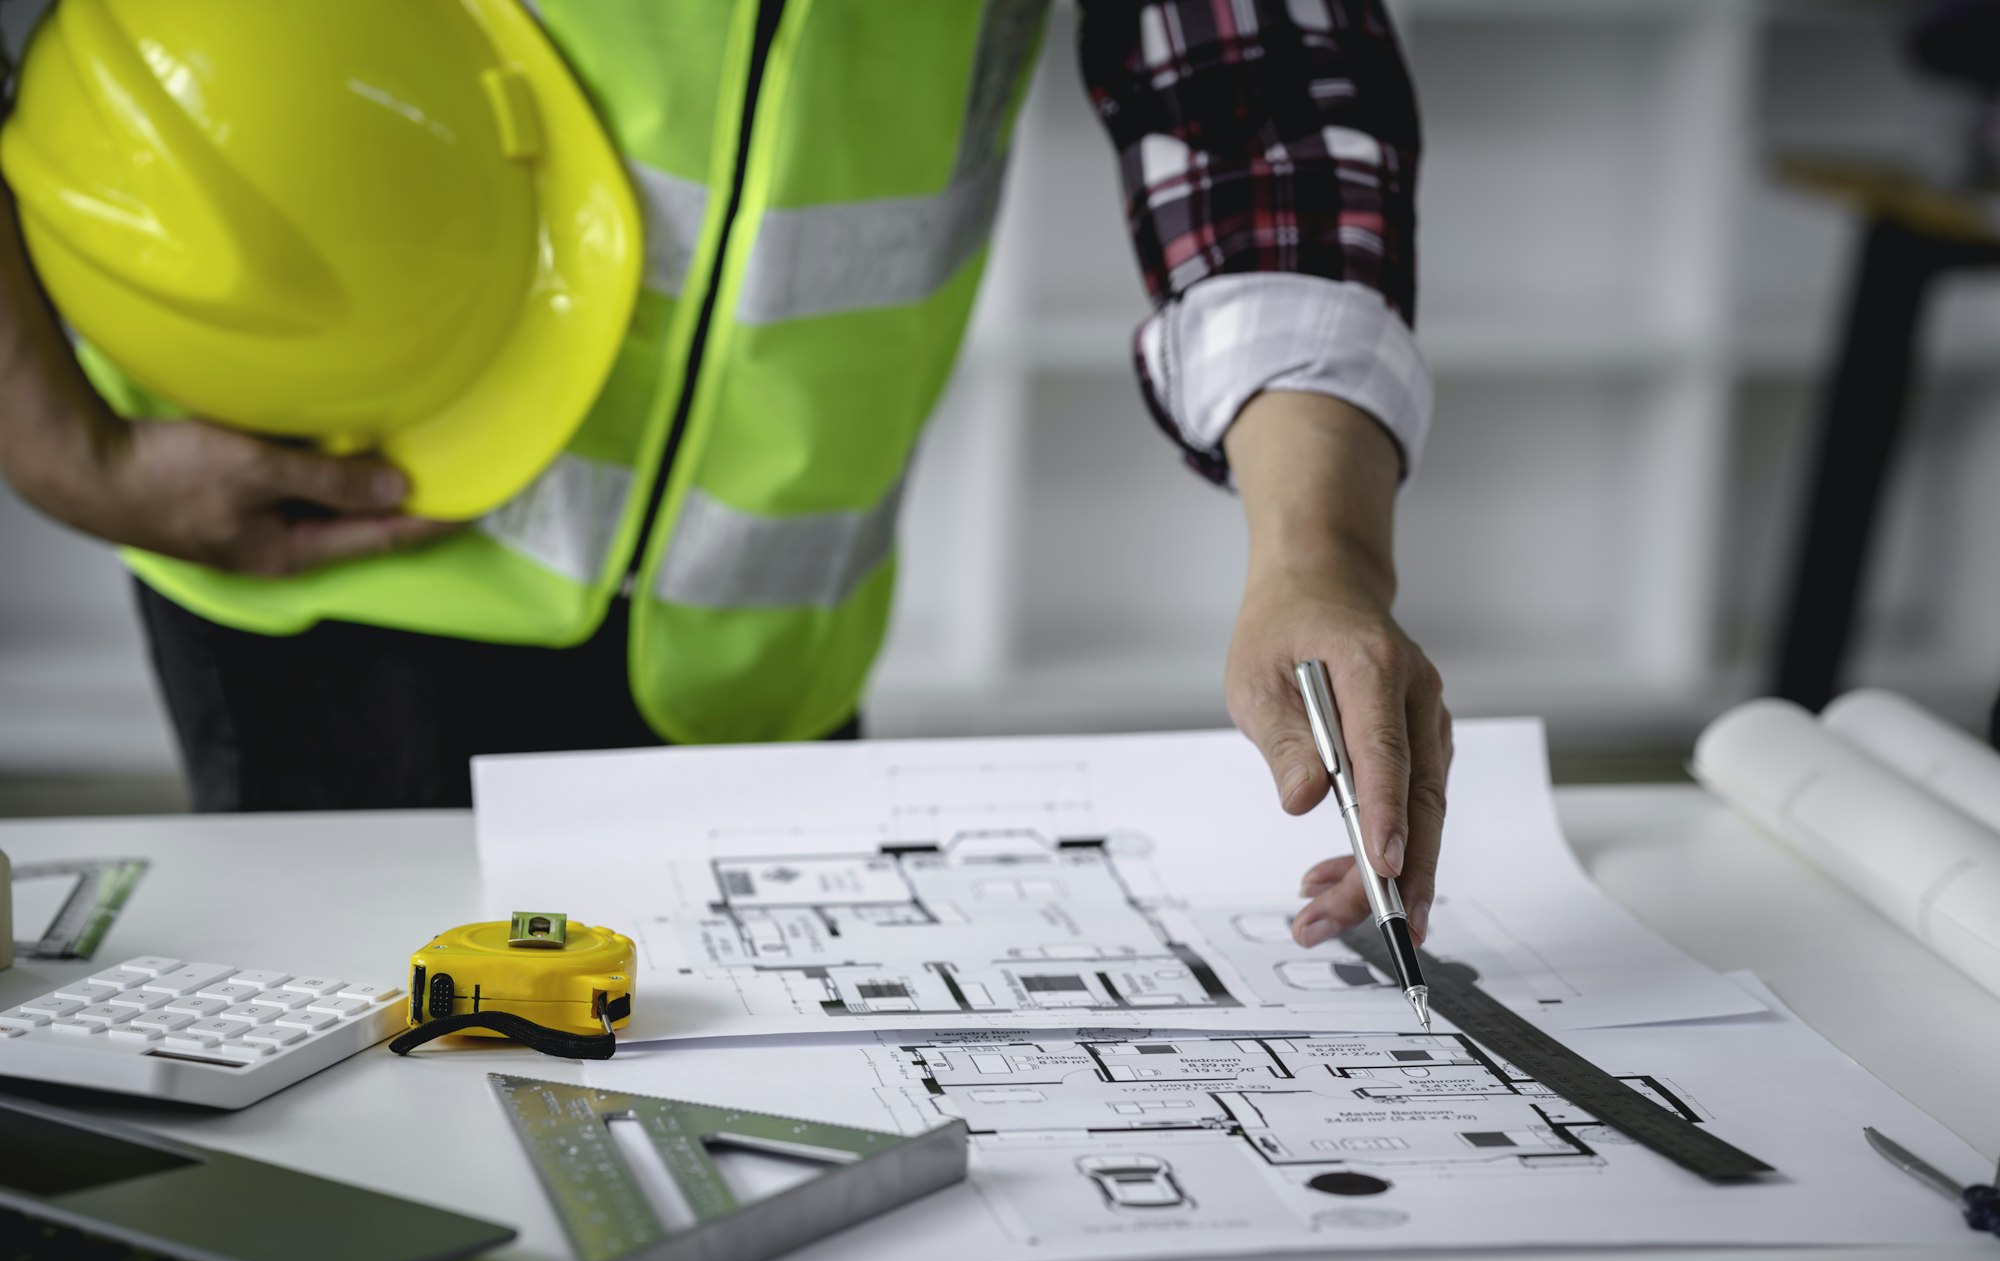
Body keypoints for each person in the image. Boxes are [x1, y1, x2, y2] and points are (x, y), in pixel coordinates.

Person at [0, 0, 1447, 951]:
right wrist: (49, 434)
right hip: (324, 536)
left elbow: (1254, 85)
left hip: (766, 626)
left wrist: (1319, 550)